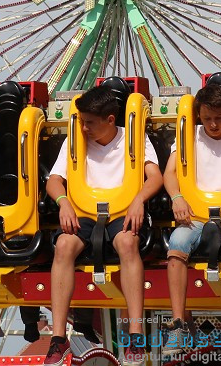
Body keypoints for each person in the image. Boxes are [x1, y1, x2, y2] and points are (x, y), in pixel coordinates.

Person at [43, 85, 163, 366]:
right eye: (82, 121)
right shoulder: (75, 141)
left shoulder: (134, 139)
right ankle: (58, 339)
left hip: (123, 210)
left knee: (127, 242)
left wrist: (139, 200)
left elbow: (154, 177)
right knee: (63, 246)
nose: (84, 128)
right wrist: (63, 202)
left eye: (90, 123)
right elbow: (54, 180)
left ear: (111, 120)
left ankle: (134, 334)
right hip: (83, 211)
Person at [160, 83, 221, 357]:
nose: (213, 124)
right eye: (207, 119)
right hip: (196, 213)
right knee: (177, 244)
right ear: (198, 116)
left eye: (219, 118)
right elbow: (170, 172)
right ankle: (179, 324)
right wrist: (177, 197)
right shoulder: (187, 136)